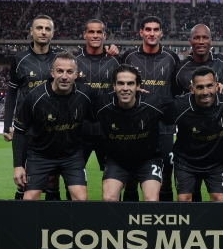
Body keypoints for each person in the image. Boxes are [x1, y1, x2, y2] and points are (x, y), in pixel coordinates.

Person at [12, 51, 96, 201]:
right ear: (52, 73)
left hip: (72, 156)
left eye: (69, 72)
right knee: (29, 199)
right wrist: (18, 166)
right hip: (39, 156)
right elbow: (19, 131)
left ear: (76, 75)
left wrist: (137, 94)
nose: (64, 76)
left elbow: (108, 106)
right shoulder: (35, 96)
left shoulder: (86, 94)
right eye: (60, 71)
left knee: (81, 198)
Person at [172, 24, 223, 201]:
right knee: (190, 196)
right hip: (190, 141)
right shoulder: (179, 68)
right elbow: (172, 98)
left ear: (211, 40)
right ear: (190, 41)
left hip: (218, 144)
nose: (201, 41)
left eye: (205, 37)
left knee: (222, 195)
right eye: (197, 37)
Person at [165, 66, 223, 202]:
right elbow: (159, 116)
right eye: (200, 87)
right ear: (192, 89)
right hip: (186, 161)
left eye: (209, 86)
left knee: (219, 199)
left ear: (217, 86)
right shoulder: (179, 106)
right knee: (183, 199)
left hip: (216, 162)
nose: (205, 92)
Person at [92, 64, 172, 201]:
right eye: (120, 83)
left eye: (130, 83)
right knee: (108, 198)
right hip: (117, 161)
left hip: (148, 160)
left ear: (138, 86)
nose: (125, 88)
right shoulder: (101, 105)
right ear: (114, 86)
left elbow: (181, 109)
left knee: (151, 200)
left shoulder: (154, 103)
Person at [3, 15, 62, 200]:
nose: (43, 32)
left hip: (53, 127)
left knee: (53, 178)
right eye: (39, 28)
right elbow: (11, 93)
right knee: (23, 179)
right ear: (31, 31)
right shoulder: (20, 59)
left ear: (53, 33)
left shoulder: (60, 58)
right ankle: (22, 216)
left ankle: (53, 216)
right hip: (26, 127)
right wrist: (7, 125)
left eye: (47, 29)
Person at [121, 16, 179, 201]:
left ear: (161, 32)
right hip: (134, 126)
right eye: (148, 29)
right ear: (141, 32)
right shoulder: (129, 56)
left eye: (155, 29)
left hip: (164, 128)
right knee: (132, 177)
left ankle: (166, 215)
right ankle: (129, 216)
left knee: (167, 175)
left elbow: (176, 90)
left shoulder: (171, 57)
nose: (152, 33)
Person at [75, 19, 121, 171]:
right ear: (84, 35)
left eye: (99, 32)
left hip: (108, 131)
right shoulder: (74, 61)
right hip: (79, 131)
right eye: (91, 32)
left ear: (104, 35)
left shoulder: (115, 61)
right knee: (74, 178)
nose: (95, 35)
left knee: (113, 178)